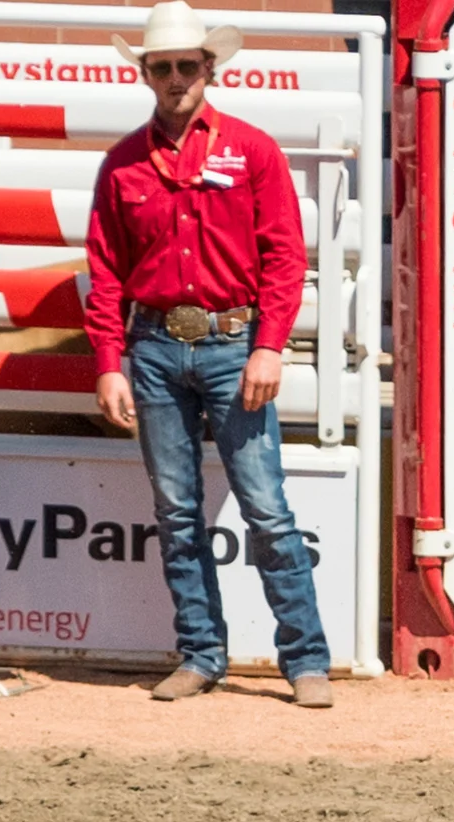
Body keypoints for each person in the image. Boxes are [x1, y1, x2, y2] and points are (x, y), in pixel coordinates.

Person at [84, 1, 334, 708]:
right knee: (176, 510)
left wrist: (270, 347)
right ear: (146, 74)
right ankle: (200, 652)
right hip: (156, 346)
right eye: (160, 67)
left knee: (267, 507)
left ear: (207, 68)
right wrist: (109, 359)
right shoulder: (124, 164)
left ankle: (305, 658)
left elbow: (284, 255)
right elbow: (105, 268)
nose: (173, 78)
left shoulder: (252, 150)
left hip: (232, 345)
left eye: (184, 66)